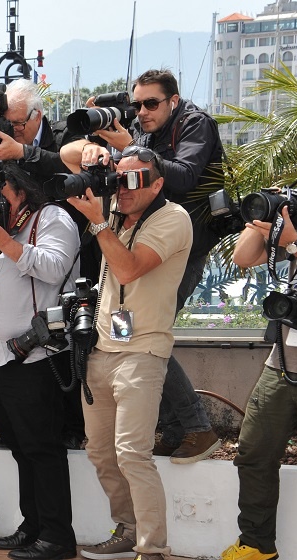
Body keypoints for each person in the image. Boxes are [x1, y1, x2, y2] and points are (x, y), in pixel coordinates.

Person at [65, 69, 224, 462]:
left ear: (173, 100)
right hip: (136, 243)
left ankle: (198, 428)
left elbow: (184, 177)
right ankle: (174, 427)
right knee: (136, 338)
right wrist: (95, 147)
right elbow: (69, 154)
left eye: (151, 104)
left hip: (178, 247)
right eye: (137, 104)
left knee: (150, 340)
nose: (142, 111)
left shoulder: (195, 124)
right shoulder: (142, 127)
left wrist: (132, 145)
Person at [67, 147, 191, 560]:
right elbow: (63, 155)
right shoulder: (117, 210)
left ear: (157, 184)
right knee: (100, 451)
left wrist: (99, 221)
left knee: (132, 455)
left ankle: (153, 557)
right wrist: (92, 153)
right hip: (102, 348)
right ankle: (126, 529)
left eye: (134, 180)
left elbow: (129, 267)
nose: (122, 189)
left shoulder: (172, 218)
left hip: (143, 351)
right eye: (118, 179)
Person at [0, 162, 81, 560]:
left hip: (37, 355)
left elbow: (52, 267)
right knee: (20, 448)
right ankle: (33, 527)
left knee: (42, 448)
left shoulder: (51, 217)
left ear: (21, 191)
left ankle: (58, 536)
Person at [205, 203, 297, 560]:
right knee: (254, 454)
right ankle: (256, 543)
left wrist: (293, 246)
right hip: (284, 366)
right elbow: (243, 258)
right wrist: (263, 219)